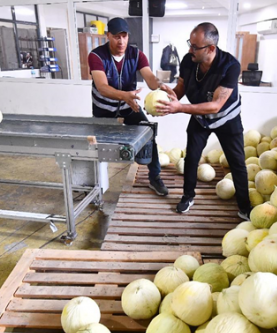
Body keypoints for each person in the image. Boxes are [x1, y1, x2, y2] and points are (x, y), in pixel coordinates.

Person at [154, 22, 251, 220]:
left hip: (227, 119)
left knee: (237, 163)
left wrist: (179, 108)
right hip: (199, 117)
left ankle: (245, 207)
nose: (190, 50)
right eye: (190, 44)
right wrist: (170, 97)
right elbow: (181, 88)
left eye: (195, 47)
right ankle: (188, 196)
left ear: (211, 48)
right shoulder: (189, 61)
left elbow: (216, 105)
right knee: (191, 158)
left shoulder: (230, 66)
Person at [88, 17, 173, 196]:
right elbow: (102, 87)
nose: (121, 41)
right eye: (117, 37)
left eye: (124, 36)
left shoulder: (136, 54)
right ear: (108, 36)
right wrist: (125, 96)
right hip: (103, 110)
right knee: (96, 148)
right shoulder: (96, 56)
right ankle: (95, 184)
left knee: (148, 133)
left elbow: (150, 78)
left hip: (129, 108)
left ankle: (155, 177)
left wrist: (161, 85)